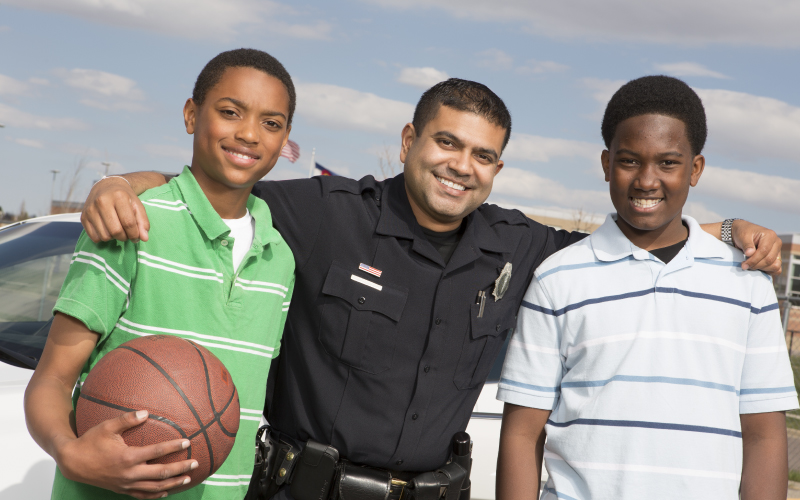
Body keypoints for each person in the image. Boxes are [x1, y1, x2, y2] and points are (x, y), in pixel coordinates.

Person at [78, 78, 783, 500]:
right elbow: (216, 183)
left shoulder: (519, 244)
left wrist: (732, 230)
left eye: (483, 155)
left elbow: (641, 227)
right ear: (411, 138)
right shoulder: (327, 213)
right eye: (447, 143)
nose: (461, 166)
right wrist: (118, 184)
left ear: (497, 168)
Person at [495, 75, 798, 500]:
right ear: (606, 164)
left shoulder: (747, 282)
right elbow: (522, 435)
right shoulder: (557, 278)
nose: (647, 180)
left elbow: (764, 436)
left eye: (668, 163)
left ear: (695, 169)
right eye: (630, 161)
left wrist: (732, 230)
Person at [24, 48, 296, 500]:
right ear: (192, 115)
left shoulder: (279, 258)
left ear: (285, 137)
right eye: (230, 113)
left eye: (271, 123)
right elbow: (51, 379)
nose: (249, 134)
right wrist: (70, 453)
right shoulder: (131, 222)